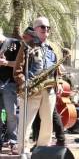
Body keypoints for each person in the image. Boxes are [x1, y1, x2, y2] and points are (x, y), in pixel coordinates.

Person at [14, 16, 59, 154]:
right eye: (43, 27)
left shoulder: (53, 48)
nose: (46, 30)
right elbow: (17, 71)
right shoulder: (27, 45)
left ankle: (43, 151)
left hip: (49, 90)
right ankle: (24, 152)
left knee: (47, 124)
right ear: (35, 29)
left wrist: (58, 83)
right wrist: (25, 83)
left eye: (48, 28)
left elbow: (55, 69)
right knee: (25, 123)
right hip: (31, 90)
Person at [0, 29, 20, 154]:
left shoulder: (14, 43)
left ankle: (13, 141)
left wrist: (6, 62)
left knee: (11, 114)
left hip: (9, 84)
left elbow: (20, 63)